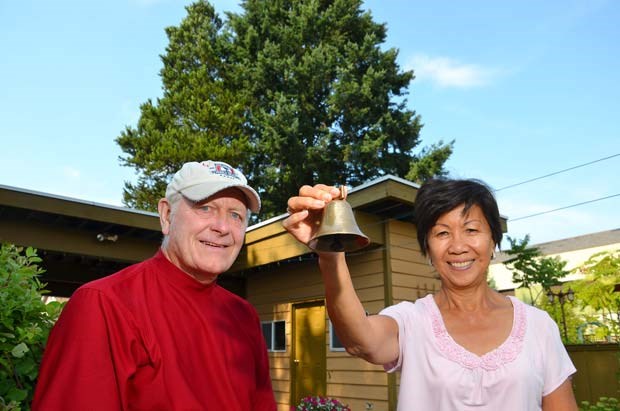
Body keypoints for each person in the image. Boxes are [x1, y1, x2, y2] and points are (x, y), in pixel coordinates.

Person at [283, 179, 578, 411]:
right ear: (427, 249)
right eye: (442, 233)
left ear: (493, 241)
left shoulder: (539, 326)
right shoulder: (412, 321)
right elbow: (361, 341)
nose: (458, 246)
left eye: (471, 229)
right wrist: (330, 251)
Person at [33, 160, 277, 411]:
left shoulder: (243, 315)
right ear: (167, 214)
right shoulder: (104, 303)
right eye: (205, 208)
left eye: (236, 215)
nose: (223, 227)